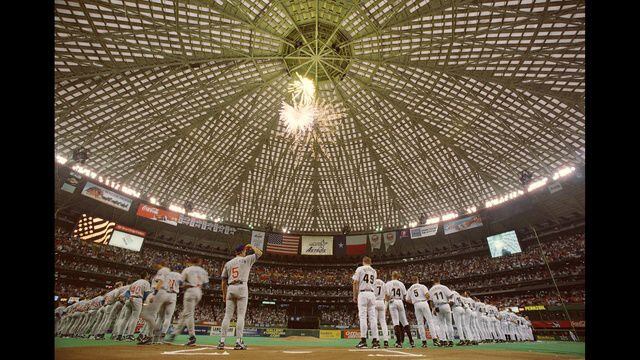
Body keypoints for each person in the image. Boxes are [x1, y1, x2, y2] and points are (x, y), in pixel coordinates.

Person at [217, 244, 263, 350]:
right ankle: (238, 342)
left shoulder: (228, 263)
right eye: (245, 251)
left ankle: (222, 341)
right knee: (241, 316)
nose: (246, 252)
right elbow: (260, 253)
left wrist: (224, 294)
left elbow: (223, 281)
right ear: (243, 251)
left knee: (227, 316)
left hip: (231, 288)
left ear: (235, 252)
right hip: (242, 287)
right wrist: (251, 246)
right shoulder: (247, 259)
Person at [166, 258, 209, 346]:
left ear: (191, 262)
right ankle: (174, 334)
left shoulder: (188, 269)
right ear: (199, 262)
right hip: (199, 292)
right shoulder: (203, 271)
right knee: (185, 314)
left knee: (188, 314)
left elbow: (180, 282)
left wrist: (187, 284)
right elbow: (206, 284)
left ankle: (192, 337)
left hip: (190, 291)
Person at [138, 262, 171, 345]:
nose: (154, 266)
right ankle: (151, 335)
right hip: (159, 292)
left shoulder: (163, 270)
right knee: (148, 315)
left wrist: (154, 293)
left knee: (146, 314)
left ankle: (154, 333)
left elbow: (161, 281)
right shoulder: (162, 271)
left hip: (158, 292)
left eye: (156, 264)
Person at [352, 256, 380, 349]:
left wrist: (355, 295)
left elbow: (355, 282)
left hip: (363, 293)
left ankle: (363, 341)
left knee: (363, 317)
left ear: (363, 261)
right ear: (370, 262)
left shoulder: (360, 268)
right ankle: (375, 341)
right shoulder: (374, 271)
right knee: (373, 318)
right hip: (372, 294)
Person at [385, 271, 414, 348]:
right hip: (400, 302)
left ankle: (399, 342)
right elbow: (405, 295)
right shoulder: (401, 284)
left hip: (392, 301)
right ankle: (411, 341)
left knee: (395, 322)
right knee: (405, 322)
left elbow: (387, 296)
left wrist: (386, 306)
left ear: (392, 276)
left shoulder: (388, 283)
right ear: (398, 276)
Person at [406, 276, 434, 348]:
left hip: (416, 304)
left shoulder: (410, 289)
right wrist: (427, 300)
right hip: (424, 302)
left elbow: (407, 299)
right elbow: (427, 295)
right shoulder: (422, 286)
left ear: (412, 281)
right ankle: (435, 340)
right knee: (430, 321)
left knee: (420, 323)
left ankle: (424, 342)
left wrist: (414, 301)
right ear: (418, 280)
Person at [428, 278, 454, 347]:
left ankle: (443, 341)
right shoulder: (444, 287)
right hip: (446, 304)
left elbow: (430, 301)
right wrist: (450, 302)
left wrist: (433, 309)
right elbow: (451, 295)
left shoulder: (431, 289)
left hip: (438, 307)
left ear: (433, 282)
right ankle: (451, 341)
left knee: (441, 324)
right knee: (449, 324)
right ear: (439, 281)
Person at [373, 276, 390, 348]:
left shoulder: (372, 282)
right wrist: (385, 305)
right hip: (381, 302)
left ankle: (377, 341)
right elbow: (387, 295)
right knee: (383, 322)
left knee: (374, 322)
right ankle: (386, 341)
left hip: (374, 302)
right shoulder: (383, 283)